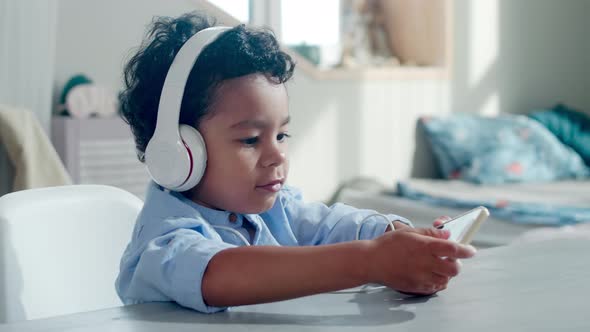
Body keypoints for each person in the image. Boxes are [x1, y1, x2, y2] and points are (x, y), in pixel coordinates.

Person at [115, 12, 476, 314]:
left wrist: (397, 237)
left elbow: (334, 225)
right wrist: (370, 261)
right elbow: (217, 273)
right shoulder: (162, 239)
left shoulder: (276, 210)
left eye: (282, 136)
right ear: (180, 151)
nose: (276, 156)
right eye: (251, 140)